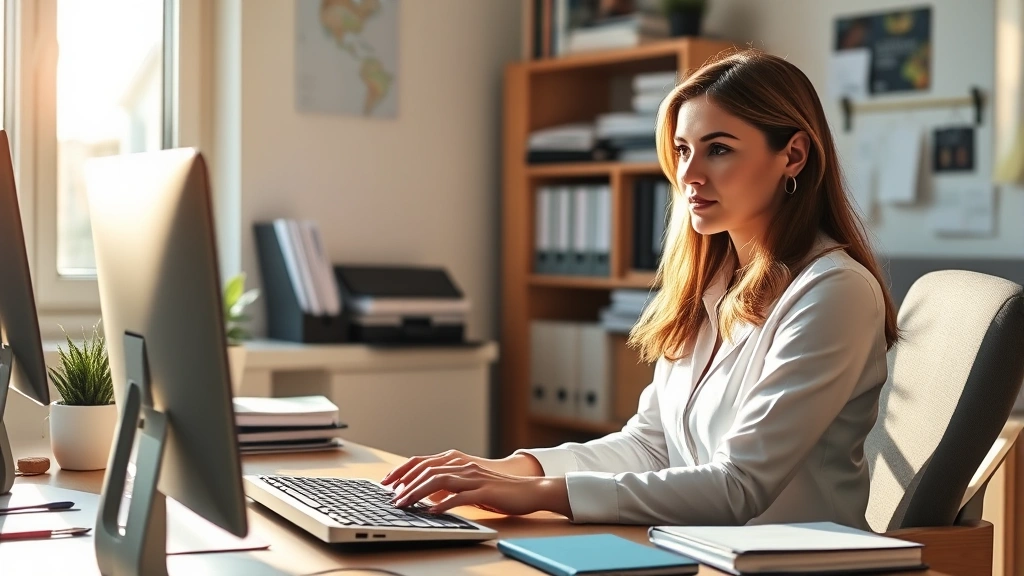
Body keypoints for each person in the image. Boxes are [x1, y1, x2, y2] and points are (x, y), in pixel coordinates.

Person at [381, 49, 899, 530]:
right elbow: (651, 446)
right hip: (698, 547)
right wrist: (510, 469)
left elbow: (739, 485)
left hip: (798, 563)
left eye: (718, 149)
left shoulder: (834, 292)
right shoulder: (713, 284)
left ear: (794, 155)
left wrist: (540, 493)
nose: (688, 174)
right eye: (682, 150)